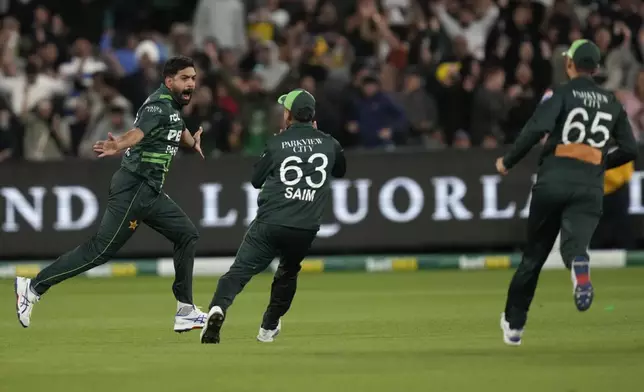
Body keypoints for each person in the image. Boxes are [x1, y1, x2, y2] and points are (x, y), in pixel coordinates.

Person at [15, 56, 208, 333]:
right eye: (185, 78)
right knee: (99, 251)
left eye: (193, 78)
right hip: (135, 187)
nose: (191, 83)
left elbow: (178, 130)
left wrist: (193, 141)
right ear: (169, 81)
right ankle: (32, 287)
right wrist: (118, 144)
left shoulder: (172, 108)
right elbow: (138, 133)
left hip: (148, 191)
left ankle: (185, 310)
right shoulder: (158, 106)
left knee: (187, 234)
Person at [494, 39, 638, 346]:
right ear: (597, 68)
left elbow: (534, 129)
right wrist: (601, 162)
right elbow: (630, 148)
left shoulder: (561, 93)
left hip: (553, 180)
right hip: (589, 187)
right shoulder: (612, 102)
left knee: (534, 256)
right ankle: (580, 270)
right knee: (575, 248)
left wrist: (508, 161)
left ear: (570, 64)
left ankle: (515, 326)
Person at [200, 88, 346, 344]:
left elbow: (256, 180)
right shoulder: (330, 143)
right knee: (287, 274)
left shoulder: (277, 143)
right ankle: (267, 329)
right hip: (305, 228)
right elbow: (341, 170)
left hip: (270, 222)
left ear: (288, 115)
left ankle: (218, 308)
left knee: (239, 272)